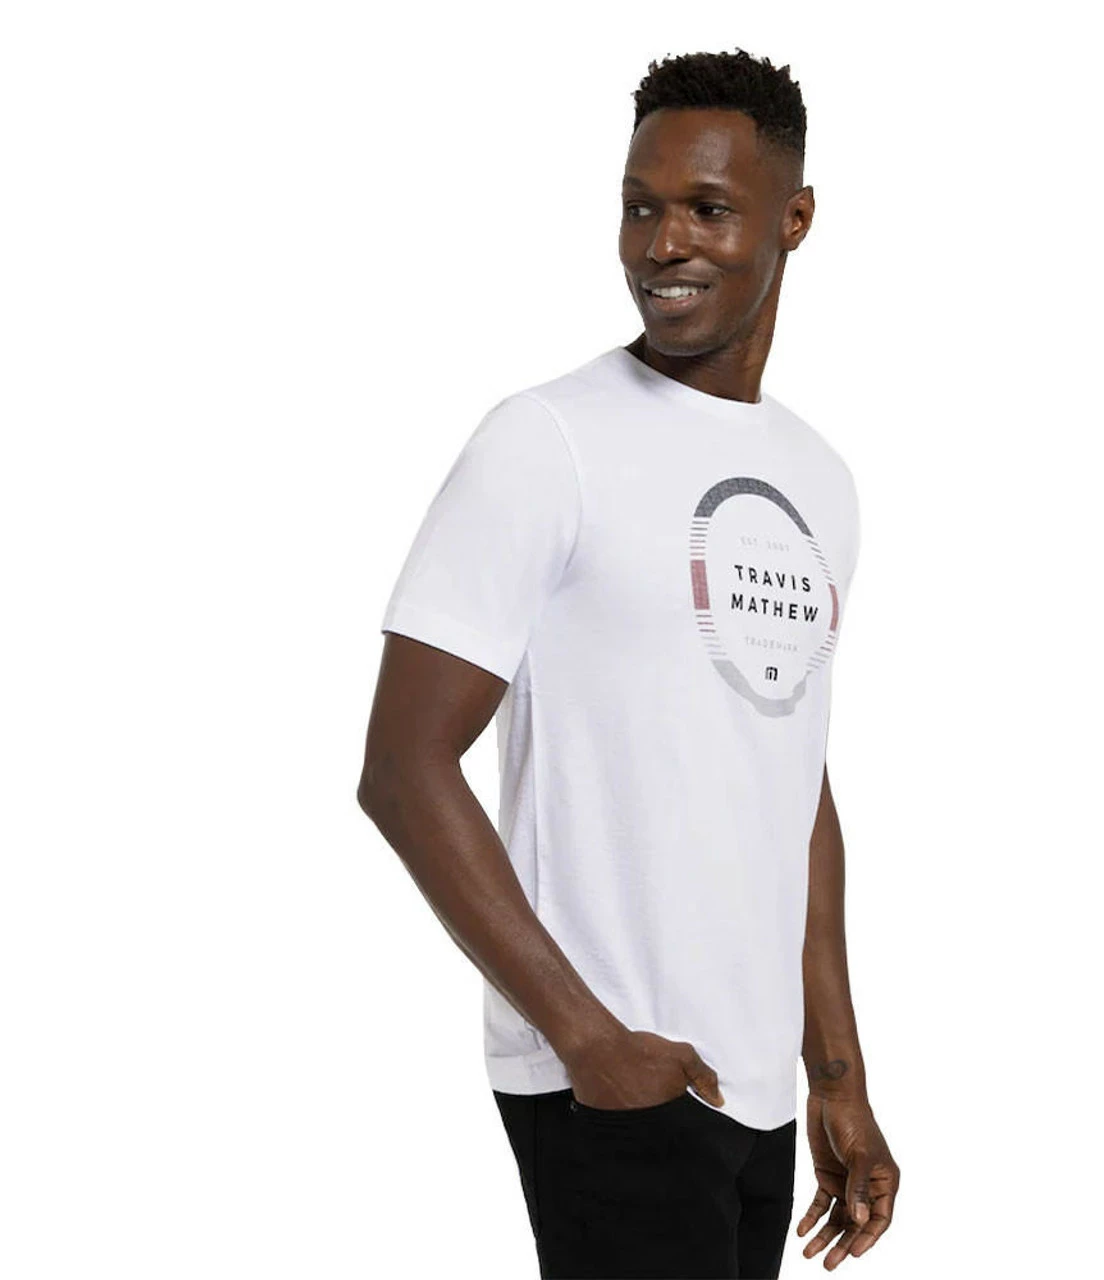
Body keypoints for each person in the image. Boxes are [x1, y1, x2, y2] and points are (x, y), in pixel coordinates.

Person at [357, 47, 900, 1279]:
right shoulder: (546, 440)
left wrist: (835, 1073)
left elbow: (792, 777)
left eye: (706, 208)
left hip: (752, 1085)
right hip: (611, 1078)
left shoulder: (819, 480)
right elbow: (402, 765)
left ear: (793, 219)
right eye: (638, 206)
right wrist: (585, 1038)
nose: (662, 244)